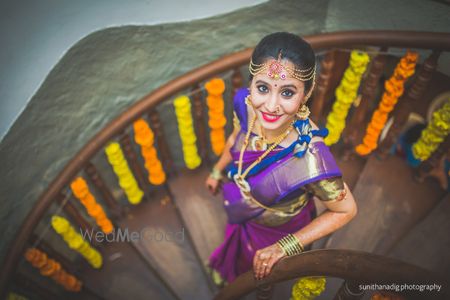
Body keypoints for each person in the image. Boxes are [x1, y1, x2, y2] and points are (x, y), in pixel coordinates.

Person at [205, 32, 357, 285]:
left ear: (306, 94)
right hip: (241, 199)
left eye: (287, 93)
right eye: (262, 88)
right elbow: (235, 139)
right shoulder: (245, 104)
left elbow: (346, 210)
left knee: (255, 264)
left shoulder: (310, 158)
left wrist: (284, 246)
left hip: (277, 227)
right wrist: (216, 171)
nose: (271, 106)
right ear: (251, 83)